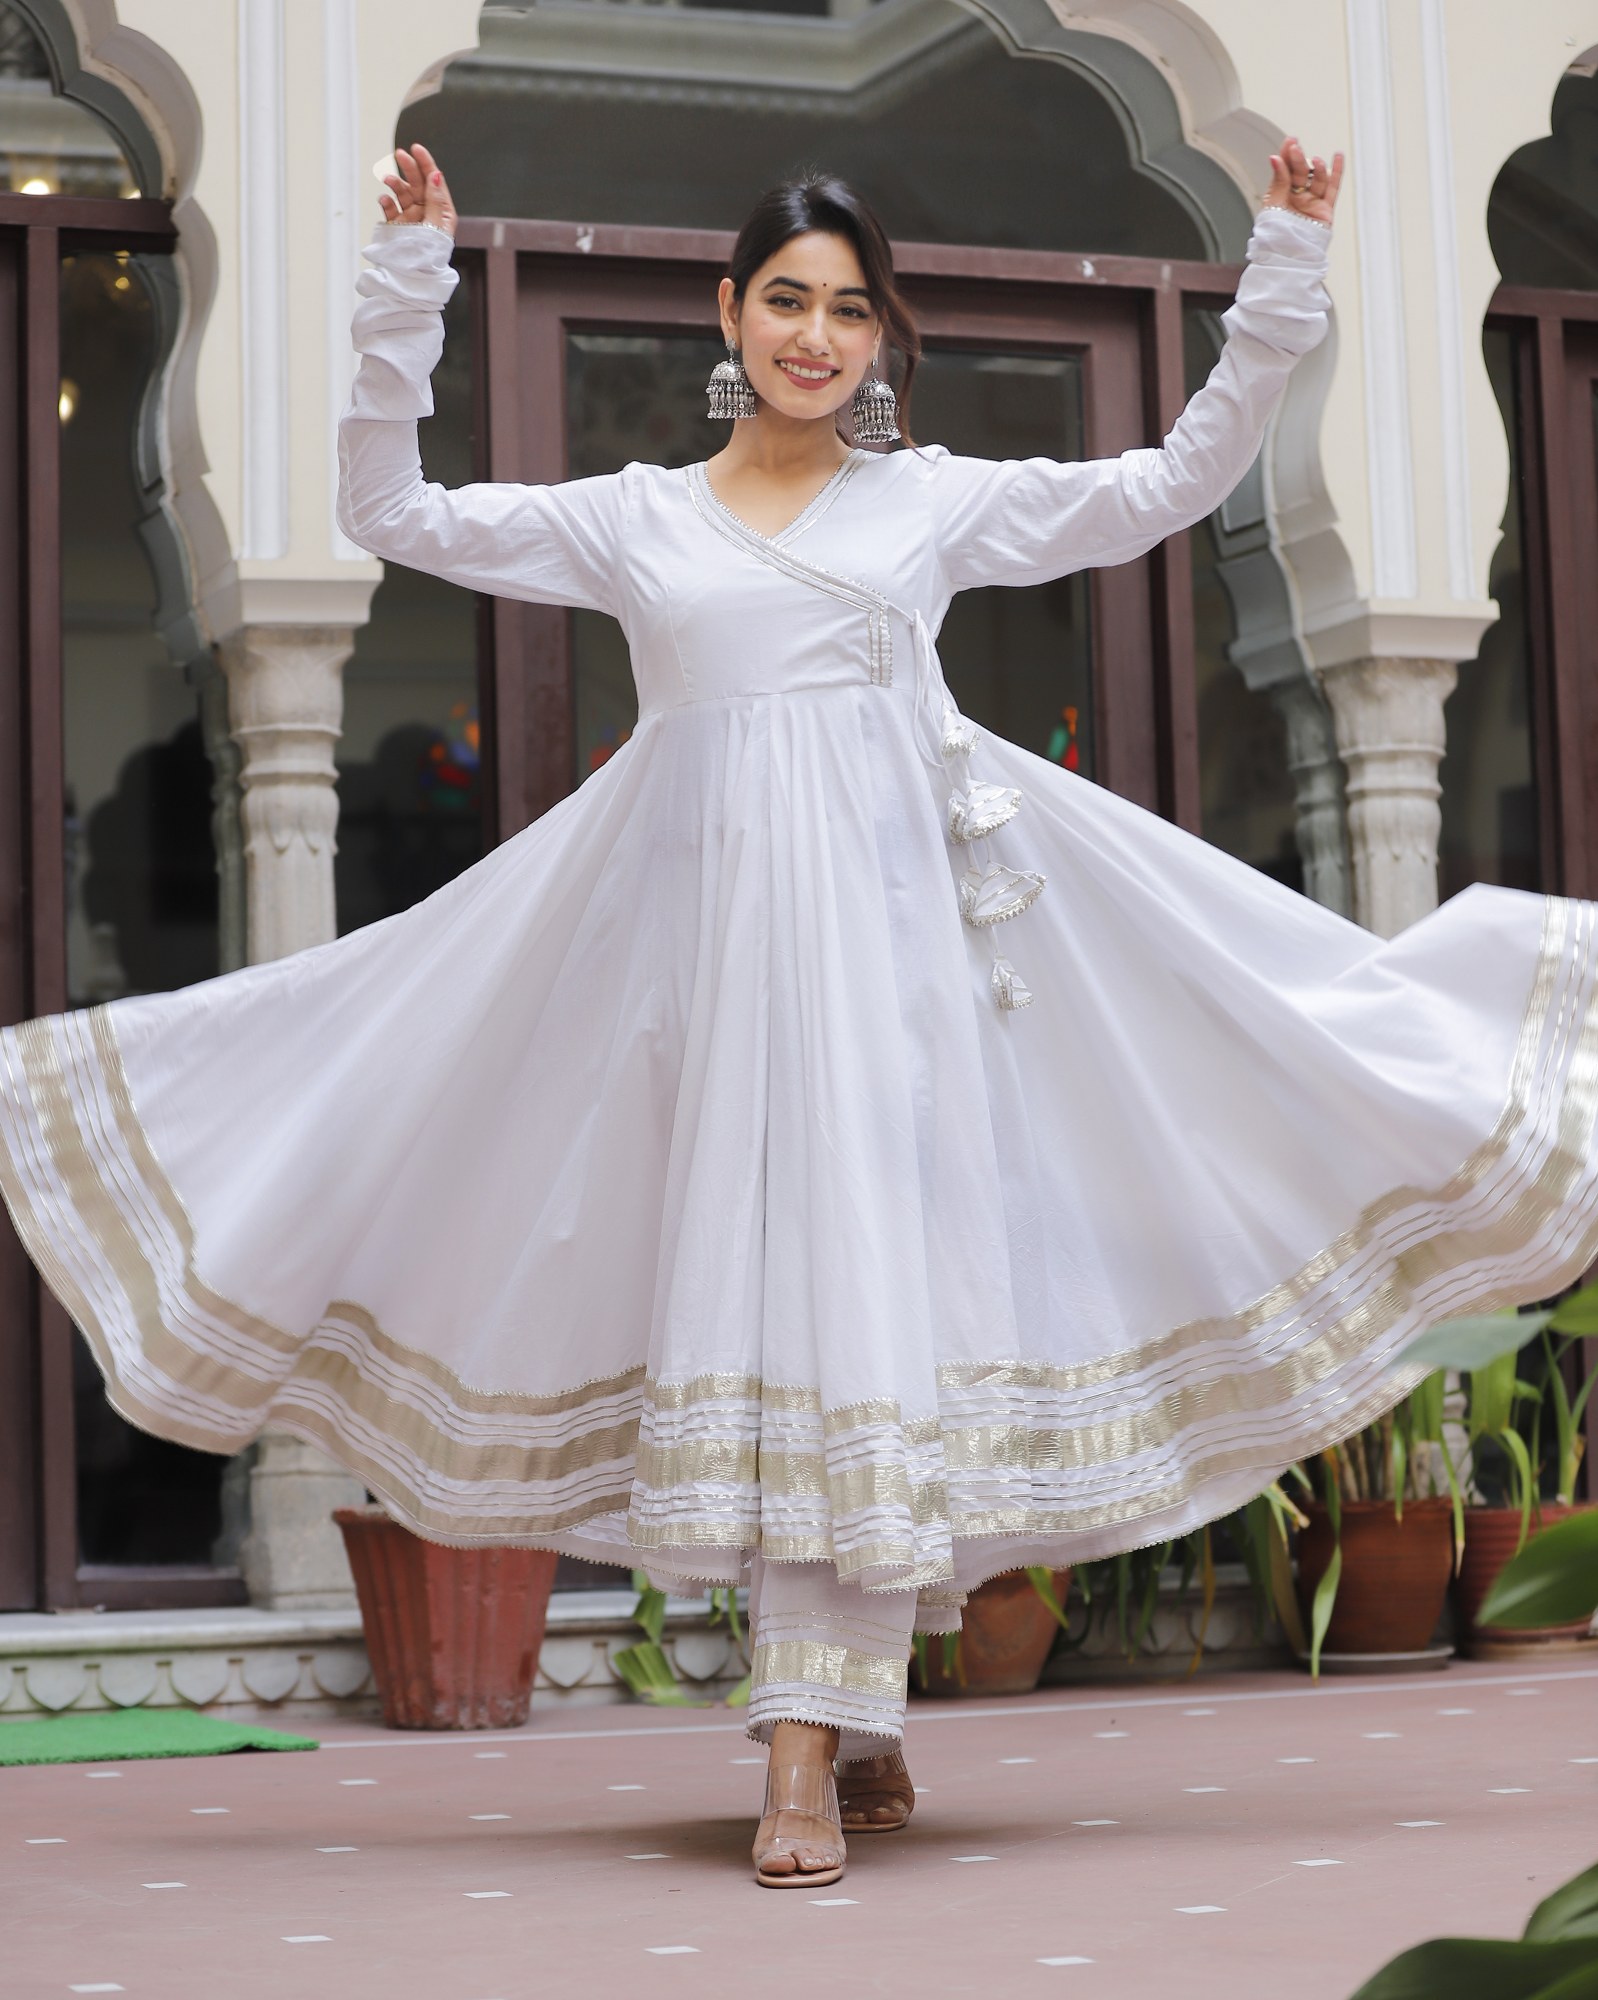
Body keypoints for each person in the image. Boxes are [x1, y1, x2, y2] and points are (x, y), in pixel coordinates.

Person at [4, 132, 1596, 1892]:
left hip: (903, 988)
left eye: (849, 309)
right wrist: (409, 294)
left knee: (866, 1307)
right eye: (787, 301)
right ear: (728, 316)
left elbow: (1172, 476)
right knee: (769, 1319)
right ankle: (847, 1720)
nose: (817, 336)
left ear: (882, 339)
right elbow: (393, 513)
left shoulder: (934, 505)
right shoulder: (635, 517)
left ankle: (806, 1753)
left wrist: (1283, 261)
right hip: (706, 991)